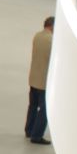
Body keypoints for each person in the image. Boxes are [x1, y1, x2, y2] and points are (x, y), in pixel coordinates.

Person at [26, 16, 54, 145]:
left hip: (34, 78)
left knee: (33, 105)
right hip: (44, 81)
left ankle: (29, 130)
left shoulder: (37, 36)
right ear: (52, 26)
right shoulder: (51, 40)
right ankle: (37, 135)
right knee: (44, 109)